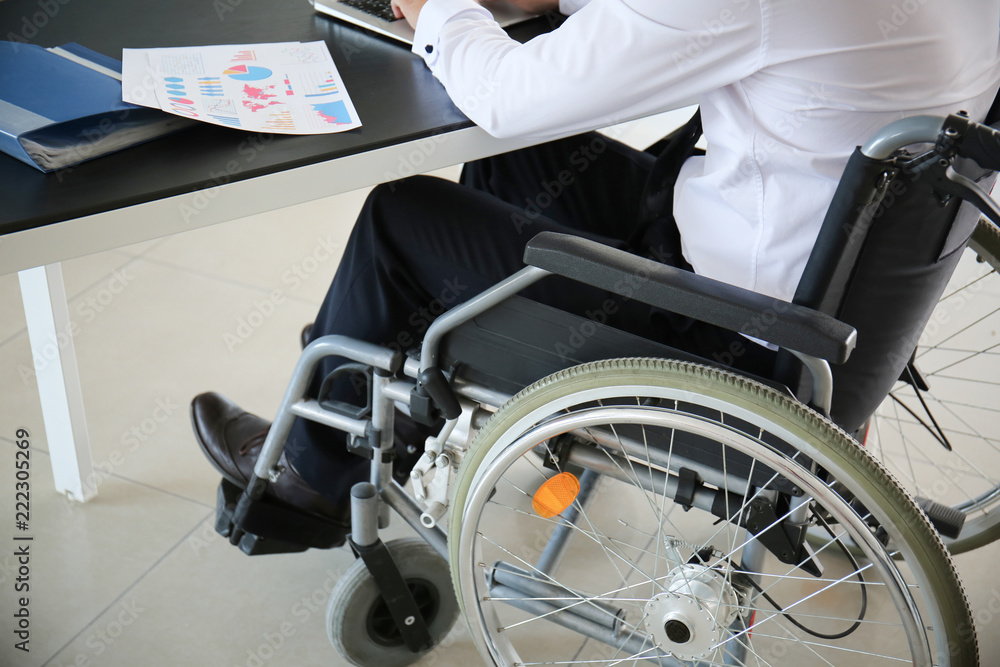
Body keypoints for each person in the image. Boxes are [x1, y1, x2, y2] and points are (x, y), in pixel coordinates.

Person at [191, 0, 1000, 533]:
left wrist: (437, 8)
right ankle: (427, 405)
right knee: (521, 166)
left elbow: (507, 95)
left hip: (724, 334)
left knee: (400, 217)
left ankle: (305, 482)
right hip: (831, 314)